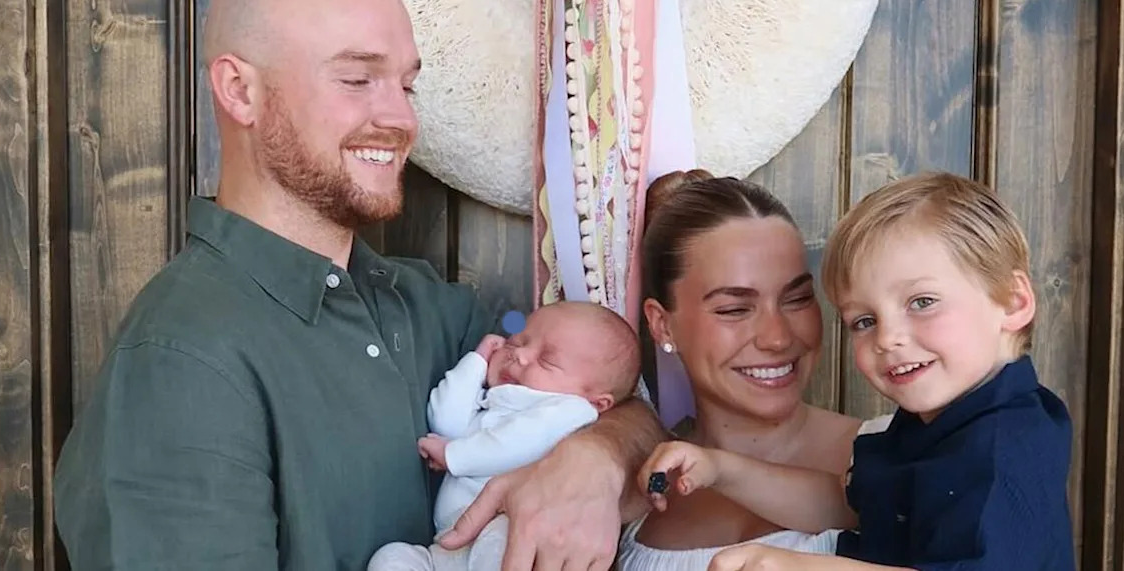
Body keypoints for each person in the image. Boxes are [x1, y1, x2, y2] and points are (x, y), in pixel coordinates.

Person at [53, 0, 665, 570]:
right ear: (240, 91)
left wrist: (595, 459)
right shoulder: (180, 359)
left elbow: (624, 408)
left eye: (406, 85)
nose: (401, 118)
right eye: (356, 79)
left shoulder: (431, 308)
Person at [655, 172, 1075, 570]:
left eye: (922, 302)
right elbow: (846, 504)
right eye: (865, 321)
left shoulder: (1006, 449)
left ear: (1013, 302)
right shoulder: (933, 427)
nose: (887, 338)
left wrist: (797, 565)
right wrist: (723, 470)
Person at [615, 170, 890, 571]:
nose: (777, 338)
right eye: (734, 309)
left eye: (797, 299)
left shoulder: (899, 454)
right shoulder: (626, 492)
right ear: (662, 325)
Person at [370, 301, 642, 570]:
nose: (519, 355)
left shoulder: (572, 410)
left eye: (547, 360)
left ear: (598, 401)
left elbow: (515, 443)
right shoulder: (492, 401)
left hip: (505, 532)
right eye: (515, 343)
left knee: (502, 546)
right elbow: (445, 421)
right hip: (447, 548)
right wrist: (478, 360)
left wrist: (453, 455)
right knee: (392, 558)